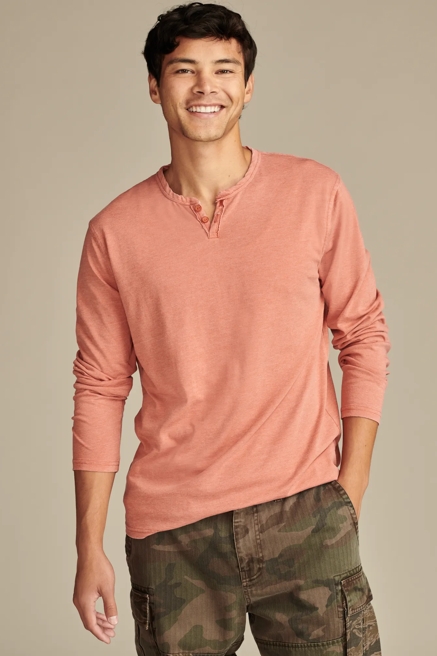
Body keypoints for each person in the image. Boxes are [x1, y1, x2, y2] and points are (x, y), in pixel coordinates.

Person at [71, 3, 391, 655]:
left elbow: (363, 335)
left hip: (305, 512)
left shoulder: (315, 193)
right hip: (173, 537)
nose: (204, 85)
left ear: (247, 87)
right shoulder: (114, 232)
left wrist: (349, 490)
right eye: (183, 69)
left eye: (223, 69)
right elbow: (100, 386)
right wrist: (88, 546)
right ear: (155, 87)